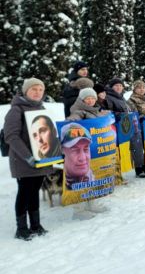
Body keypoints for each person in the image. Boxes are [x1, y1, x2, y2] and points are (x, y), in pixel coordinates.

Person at [4, 78, 55, 240]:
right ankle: (21, 228)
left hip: (41, 159)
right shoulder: (16, 110)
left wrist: (53, 150)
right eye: (34, 89)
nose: (37, 92)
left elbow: (47, 133)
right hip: (23, 160)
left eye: (40, 89)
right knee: (25, 192)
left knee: (34, 191)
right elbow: (11, 136)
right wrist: (28, 156)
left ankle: (35, 224)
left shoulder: (41, 108)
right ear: (26, 91)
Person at [60, 122, 95, 191]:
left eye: (86, 149)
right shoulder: (57, 181)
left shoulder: (95, 181)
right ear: (62, 151)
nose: (82, 158)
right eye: (75, 150)